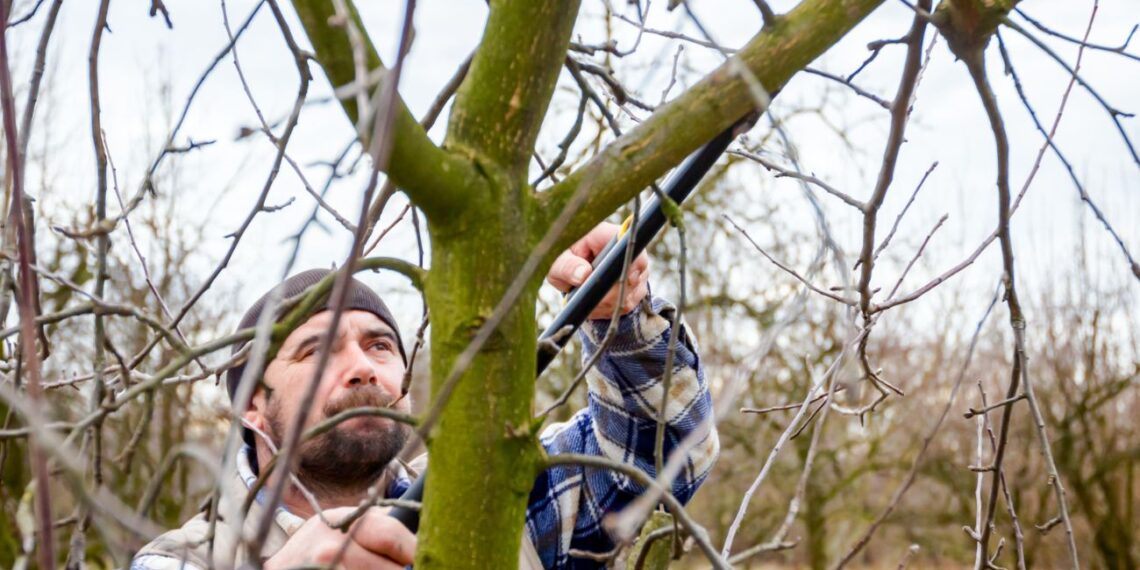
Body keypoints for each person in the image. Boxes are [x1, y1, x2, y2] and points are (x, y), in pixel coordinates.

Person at [131, 223, 719, 570]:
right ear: (252, 407)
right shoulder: (180, 559)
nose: (362, 368)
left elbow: (660, 452)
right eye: (317, 352)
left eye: (380, 346)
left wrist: (618, 314)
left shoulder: (500, 493)